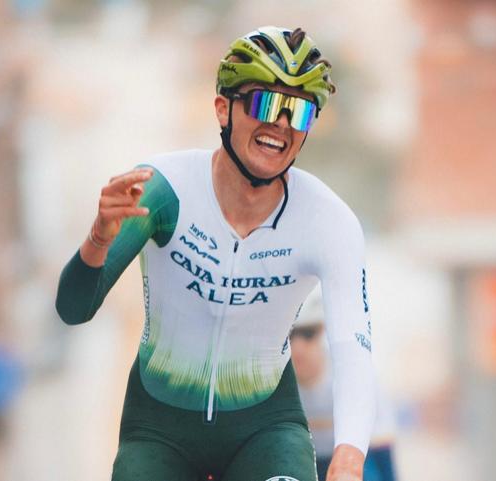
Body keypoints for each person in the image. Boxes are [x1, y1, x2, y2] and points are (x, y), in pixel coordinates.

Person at [56, 26, 376, 481]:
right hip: (160, 429)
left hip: (264, 429)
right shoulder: (162, 188)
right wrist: (98, 237)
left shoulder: (329, 221)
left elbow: (353, 350)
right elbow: (73, 309)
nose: (281, 124)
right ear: (223, 109)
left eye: (300, 111)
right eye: (266, 104)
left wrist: (348, 459)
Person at [290, 288, 397, 481]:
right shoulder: (273, 377)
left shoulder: (350, 371)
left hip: (349, 459)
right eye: (289, 335)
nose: (298, 346)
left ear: (322, 330)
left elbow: (383, 442)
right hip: (301, 460)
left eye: (307, 334)